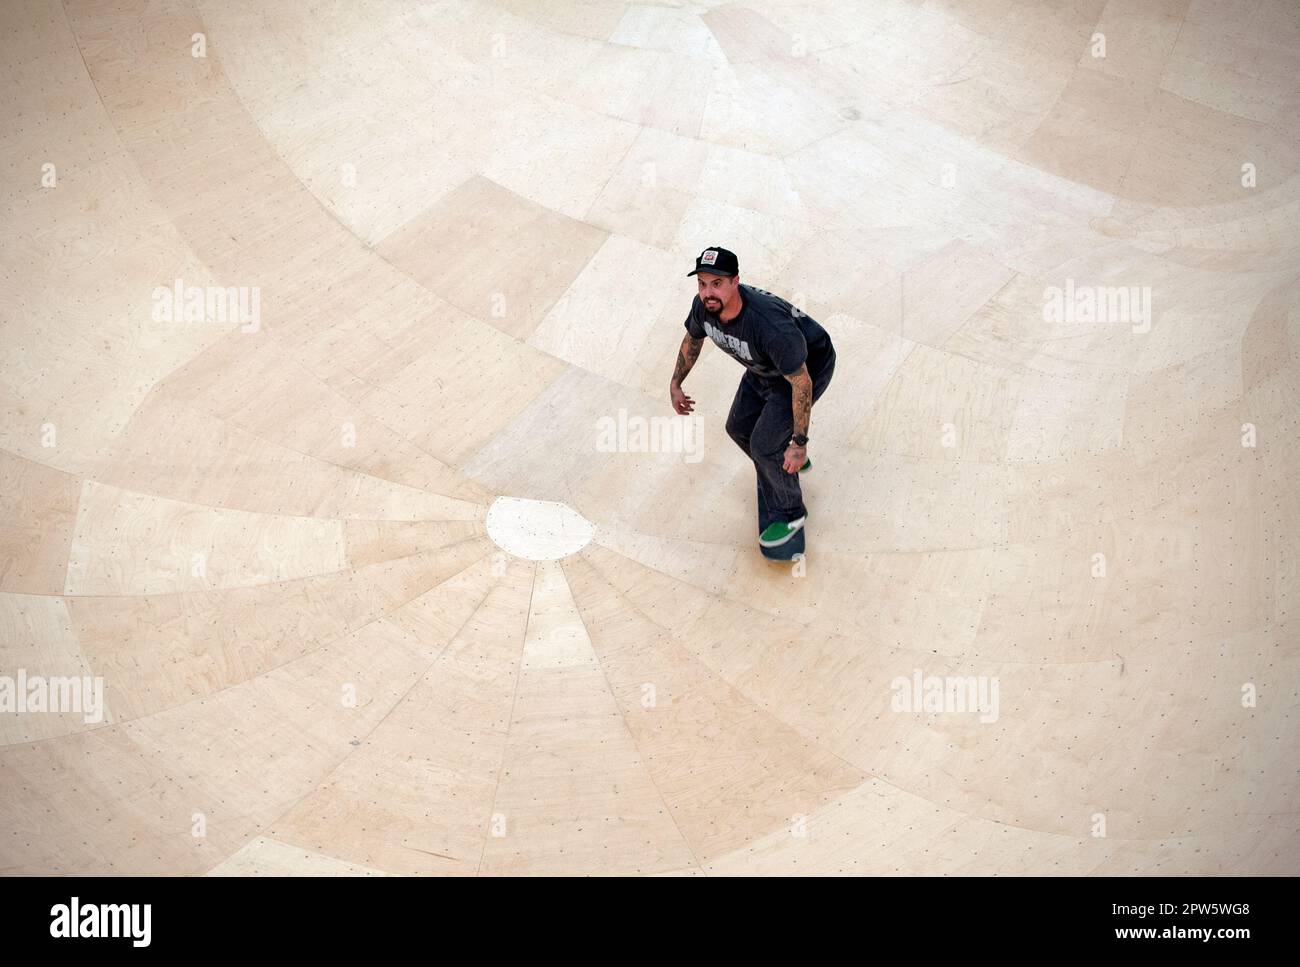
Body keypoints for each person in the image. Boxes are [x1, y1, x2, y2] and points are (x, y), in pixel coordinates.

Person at [669, 246, 835, 549]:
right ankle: (778, 463)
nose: (708, 293)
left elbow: (802, 385)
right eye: (702, 283)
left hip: (804, 369)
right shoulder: (703, 307)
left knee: (764, 445)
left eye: (717, 284)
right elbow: (692, 339)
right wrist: (676, 382)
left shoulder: (769, 326)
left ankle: (790, 512)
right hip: (763, 369)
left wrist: (799, 443)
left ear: (736, 281)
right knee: (738, 428)